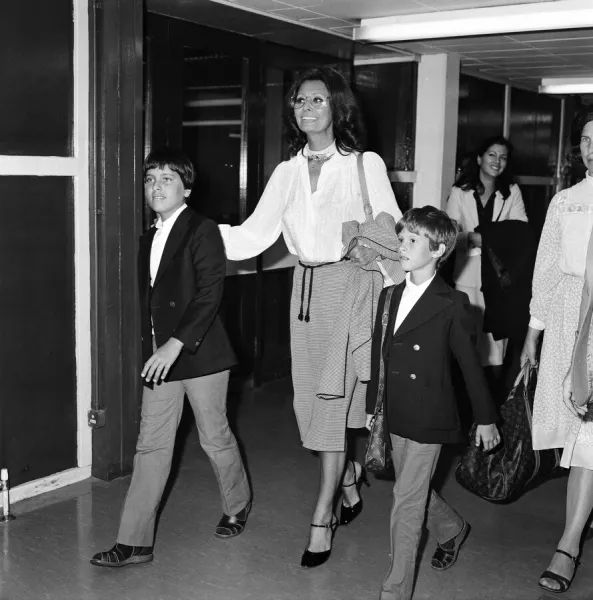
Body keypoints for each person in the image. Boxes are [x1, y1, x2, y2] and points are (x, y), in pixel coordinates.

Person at [219, 66, 403, 568]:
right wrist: (196, 234)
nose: (305, 107)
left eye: (317, 100)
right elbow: (254, 234)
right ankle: (346, 478)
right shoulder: (287, 172)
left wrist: (395, 311)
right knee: (312, 407)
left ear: (337, 108)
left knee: (332, 403)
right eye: (300, 101)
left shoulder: (364, 165)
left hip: (350, 286)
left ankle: (321, 518)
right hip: (304, 289)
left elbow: (391, 233)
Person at [91, 147, 251, 568]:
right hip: (160, 359)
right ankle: (135, 541)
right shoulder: (148, 238)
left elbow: (209, 295)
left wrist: (174, 344)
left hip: (200, 355)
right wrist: (153, 348)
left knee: (214, 437)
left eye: (166, 178)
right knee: (151, 446)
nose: (156, 186)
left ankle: (238, 502)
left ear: (187, 187)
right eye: (149, 179)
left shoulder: (203, 230)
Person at [366, 206, 500, 600]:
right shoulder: (389, 296)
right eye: (401, 238)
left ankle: (394, 591)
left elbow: (471, 368)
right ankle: (451, 528)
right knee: (413, 490)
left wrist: (486, 418)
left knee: (405, 502)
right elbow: (380, 354)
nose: (402, 246)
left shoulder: (452, 303)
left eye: (412, 241)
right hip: (394, 412)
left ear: (439, 249)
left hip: (429, 416)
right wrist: (374, 407)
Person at [521, 111, 593, 594]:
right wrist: (534, 329)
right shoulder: (567, 202)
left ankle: (567, 544)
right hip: (572, 320)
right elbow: (546, 268)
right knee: (581, 431)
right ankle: (574, 533)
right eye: (587, 139)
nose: (592, 147)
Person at [446, 136, 528, 381]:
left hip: (499, 276)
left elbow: (520, 231)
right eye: (492, 155)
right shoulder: (459, 192)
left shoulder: (511, 192)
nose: (497, 161)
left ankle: (492, 401)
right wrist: (474, 238)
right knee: (466, 339)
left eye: (503, 157)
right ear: (480, 158)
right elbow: (450, 234)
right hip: (467, 274)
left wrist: (487, 239)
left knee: (494, 347)